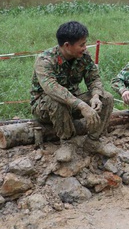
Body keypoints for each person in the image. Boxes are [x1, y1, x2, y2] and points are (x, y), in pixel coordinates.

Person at [30, 21, 118, 158]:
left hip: (74, 104)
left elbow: (94, 78)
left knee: (106, 98)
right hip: (45, 107)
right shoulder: (45, 61)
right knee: (57, 101)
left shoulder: (83, 56)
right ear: (67, 45)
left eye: (85, 44)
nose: (84, 48)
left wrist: (95, 96)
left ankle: (93, 141)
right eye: (81, 45)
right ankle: (67, 142)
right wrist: (81, 105)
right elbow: (52, 89)